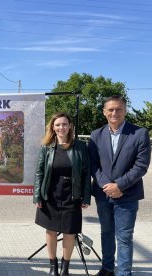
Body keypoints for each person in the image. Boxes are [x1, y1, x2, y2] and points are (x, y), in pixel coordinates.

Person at [89, 95, 151, 276]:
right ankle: (107, 268)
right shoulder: (96, 135)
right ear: (104, 112)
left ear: (125, 110)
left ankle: (124, 272)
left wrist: (119, 186)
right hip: (103, 194)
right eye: (110, 109)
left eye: (118, 109)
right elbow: (93, 164)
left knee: (124, 237)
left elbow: (141, 166)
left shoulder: (139, 133)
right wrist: (105, 184)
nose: (114, 113)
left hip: (127, 196)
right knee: (106, 233)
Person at [33, 112, 91, 276]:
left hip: (72, 195)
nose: (61, 127)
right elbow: (39, 172)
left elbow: (87, 173)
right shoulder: (47, 146)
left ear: (70, 126)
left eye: (64, 124)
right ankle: (53, 267)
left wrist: (86, 197)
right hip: (50, 195)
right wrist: (37, 195)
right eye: (57, 124)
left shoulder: (80, 146)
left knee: (69, 231)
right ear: (53, 127)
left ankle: (65, 269)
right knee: (50, 231)